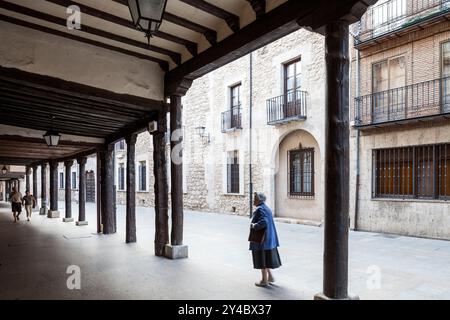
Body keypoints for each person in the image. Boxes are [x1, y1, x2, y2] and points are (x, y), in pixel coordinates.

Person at [249, 192, 281, 287]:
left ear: (260, 200)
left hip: (262, 240)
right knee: (265, 258)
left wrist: (254, 226)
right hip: (269, 239)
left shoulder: (260, 209)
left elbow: (264, 222)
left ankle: (264, 280)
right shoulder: (266, 208)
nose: (253, 200)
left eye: (255, 198)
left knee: (262, 259)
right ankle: (270, 277)